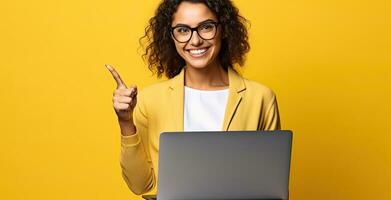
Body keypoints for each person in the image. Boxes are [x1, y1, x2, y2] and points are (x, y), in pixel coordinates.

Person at [106, 0, 281, 196]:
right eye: (182, 30)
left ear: (223, 29)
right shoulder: (149, 100)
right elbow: (141, 186)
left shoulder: (260, 98)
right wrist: (125, 121)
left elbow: (271, 186)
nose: (195, 40)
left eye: (206, 27)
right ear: (170, 36)